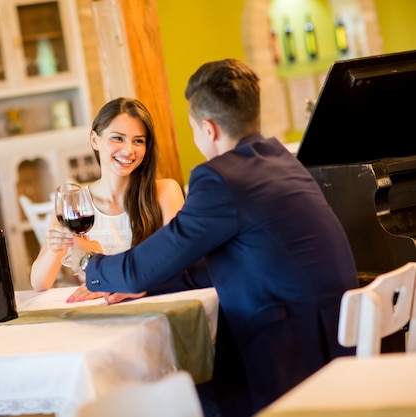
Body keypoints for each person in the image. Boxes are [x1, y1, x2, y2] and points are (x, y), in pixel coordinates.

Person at [70, 59, 359, 417]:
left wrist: (89, 262)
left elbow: (140, 268)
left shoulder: (219, 178)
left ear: (207, 129)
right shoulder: (281, 160)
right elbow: (217, 263)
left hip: (294, 355)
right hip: (336, 337)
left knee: (187, 388)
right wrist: (150, 286)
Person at [30, 97, 185, 302]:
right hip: (100, 312)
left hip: (154, 304)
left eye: (138, 140)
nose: (128, 150)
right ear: (95, 140)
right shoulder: (74, 204)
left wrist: (106, 279)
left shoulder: (165, 192)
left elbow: (181, 265)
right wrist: (54, 247)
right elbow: (39, 283)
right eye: (118, 138)